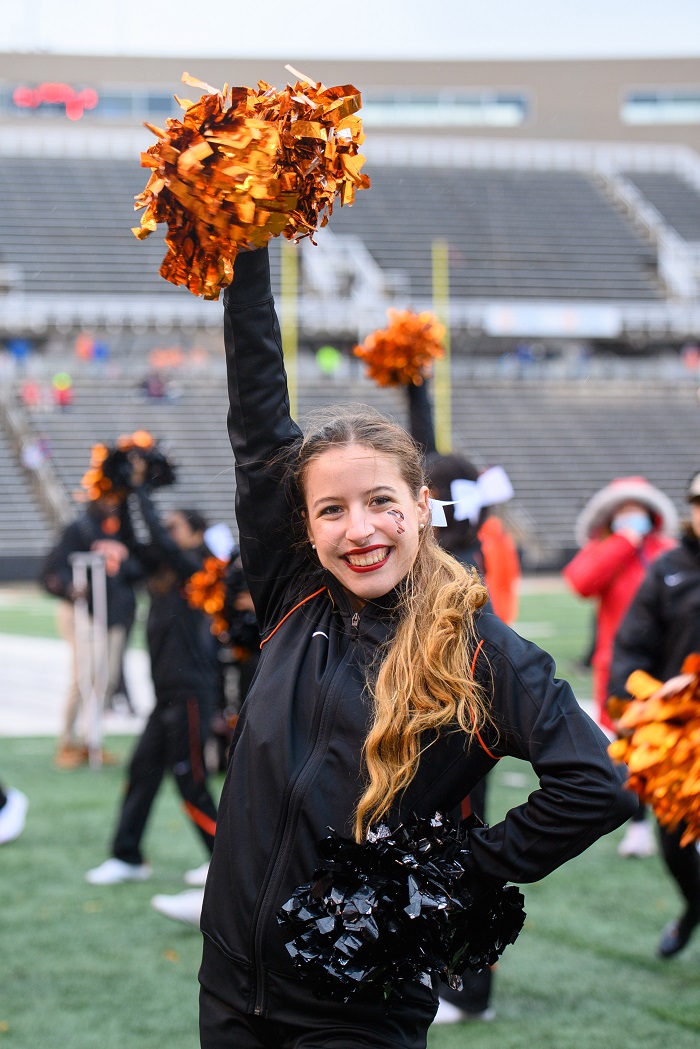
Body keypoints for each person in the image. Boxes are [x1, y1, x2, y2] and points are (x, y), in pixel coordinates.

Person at [196, 246, 636, 1049]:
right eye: (331, 510)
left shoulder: (479, 646)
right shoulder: (293, 596)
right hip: (229, 981)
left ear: (421, 504)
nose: (358, 529)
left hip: (359, 1005)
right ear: (306, 525)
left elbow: (596, 783)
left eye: (380, 502)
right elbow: (259, 426)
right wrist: (248, 248)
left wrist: (465, 867)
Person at [86, 492, 218, 887]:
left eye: (176, 527)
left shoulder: (197, 567)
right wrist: (127, 492)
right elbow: (134, 539)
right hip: (165, 695)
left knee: (189, 778)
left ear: (195, 535)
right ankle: (127, 855)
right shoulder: (164, 569)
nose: (165, 533)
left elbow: (157, 539)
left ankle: (224, 859)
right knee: (141, 771)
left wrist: (143, 495)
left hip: (191, 692)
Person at [609, 469, 700, 958]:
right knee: (675, 841)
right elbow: (632, 649)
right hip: (680, 738)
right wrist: (635, 706)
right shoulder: (668, 571)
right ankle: (693, 906)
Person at [563, 477, 677, 859]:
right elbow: (580, 582)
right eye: (623, 510)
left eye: (637, 510)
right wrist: (623, 543)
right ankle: (641, 825)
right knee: (633, 747)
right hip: (621, 668)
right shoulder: (608, 549)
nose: (631, 518)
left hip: (670, 668)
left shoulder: (667, 551)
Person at [40, 498, 143, 768]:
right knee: (82, 677)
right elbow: (52, 571)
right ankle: (66, 741)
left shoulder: (124, 530)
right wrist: (69, 587)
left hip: (115, 613)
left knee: (107, 679)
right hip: (83, 612)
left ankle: (91, 740)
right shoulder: (79, 529)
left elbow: (138, 570)